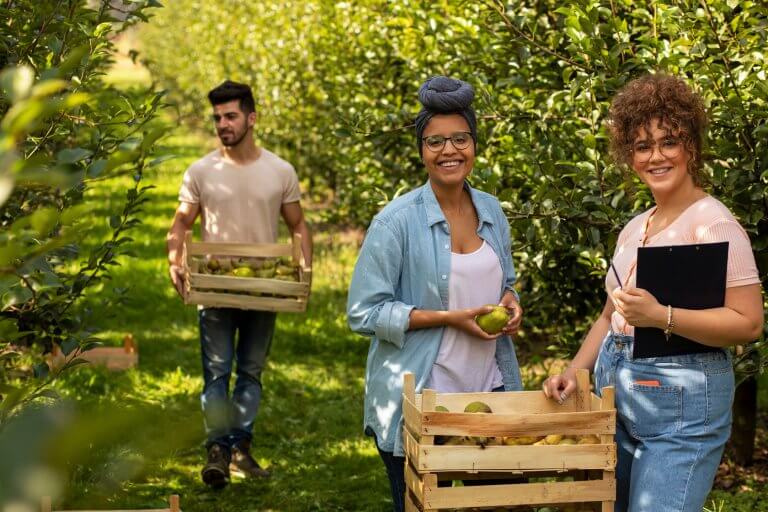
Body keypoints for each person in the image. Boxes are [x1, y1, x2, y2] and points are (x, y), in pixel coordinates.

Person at [542, 74, 763, 512]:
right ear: (630, 156)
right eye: (642, 146)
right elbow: (609, 317)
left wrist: (662, 315)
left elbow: (749, 322)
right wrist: (575, 371)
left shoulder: (713, 224)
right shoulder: (634, 227)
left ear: (691, 148)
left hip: (681, 404)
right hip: (622, 396)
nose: (655, 156)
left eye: (668, 142)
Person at [347, 76, 524, 511]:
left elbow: (505, 282)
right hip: (425, 397)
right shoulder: (396, 222)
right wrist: (447, 317)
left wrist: (511, 303)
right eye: (435, 141)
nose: (449, 151)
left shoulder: (492, 210)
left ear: (475, 144)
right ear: (421, 150)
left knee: (497, 505)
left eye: (460, 138)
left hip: (489, 391)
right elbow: (364, 313)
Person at [166, 80, 312, 489]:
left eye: (230, 116)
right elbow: (181, 222)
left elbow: (297, 224)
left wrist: (305, 270)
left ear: (251, 118)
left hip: (264, 288)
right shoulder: (201, 171)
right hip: (214, 287)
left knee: (250, 371)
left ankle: (240, 448)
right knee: (217, 372)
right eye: (217, 117)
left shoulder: (279, 171)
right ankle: (218, 449)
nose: (222, 124)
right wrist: (174, 258)